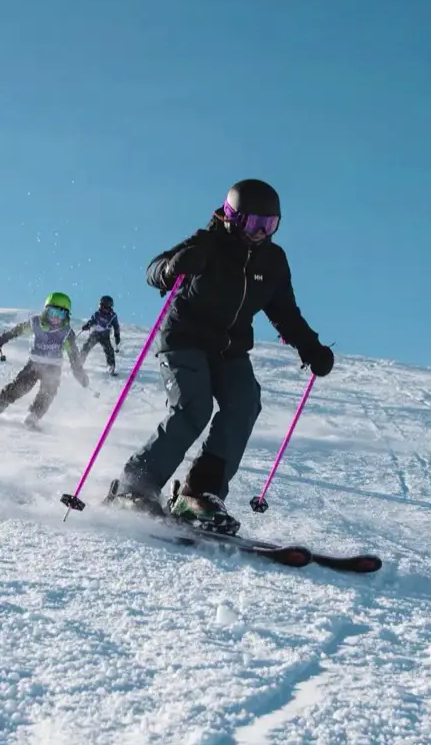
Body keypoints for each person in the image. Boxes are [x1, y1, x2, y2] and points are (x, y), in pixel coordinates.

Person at [109, 179, 334, 534]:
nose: (260, 233)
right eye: (252, 224)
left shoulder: (273, 260)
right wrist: (172, 269)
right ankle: (133, 488)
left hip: (229, 349)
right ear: (231, 217)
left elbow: (285, 312)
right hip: (183, 339)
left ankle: (199, 493)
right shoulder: (207, 244)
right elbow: (155, 271)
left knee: (245, 403)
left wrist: (311, 348)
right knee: (193, 408)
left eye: (269, 225)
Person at [0, 292, 92, 428]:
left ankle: (32, 418)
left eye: (60, 314)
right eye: (52, 312)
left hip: (53, 368)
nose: (55, 318)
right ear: (46, 310)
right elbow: (17, 331)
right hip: (34, 365)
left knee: (48, 393)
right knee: (17, 388)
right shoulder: (36, 323)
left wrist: (80, 375)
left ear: (66, 316)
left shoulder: (66, 332)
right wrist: (2, 340)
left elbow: (74, 357)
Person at [80, 295, 122, 375]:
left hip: (105, 336)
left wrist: (117, 335)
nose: (104, 309)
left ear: (109, 307)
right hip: (95, 334)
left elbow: (116, 326)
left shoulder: (112, 316)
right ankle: (79, 362)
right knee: (86, 346)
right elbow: (92, 321)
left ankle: (111, 366)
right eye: (102, 306)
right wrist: (87, 326)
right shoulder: (97, 314)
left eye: (106, 307)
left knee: (109, 350)